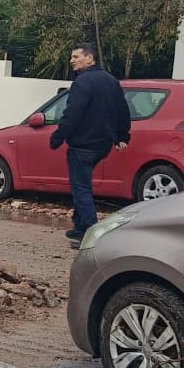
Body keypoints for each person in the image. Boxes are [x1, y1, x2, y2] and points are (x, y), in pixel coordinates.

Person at [49, 42, 131, 245]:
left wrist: (58, 137)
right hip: (102, 145)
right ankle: (79, 226)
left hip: (83, 145)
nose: (72, 61)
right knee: (81, 185)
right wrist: (122, 136)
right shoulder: (111, 81)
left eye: (76, 57)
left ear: (89, 58)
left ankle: (89, 233)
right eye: (72, 57)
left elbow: (73, 113)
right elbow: (122, 109)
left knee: (81, 188)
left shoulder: (83, 82)